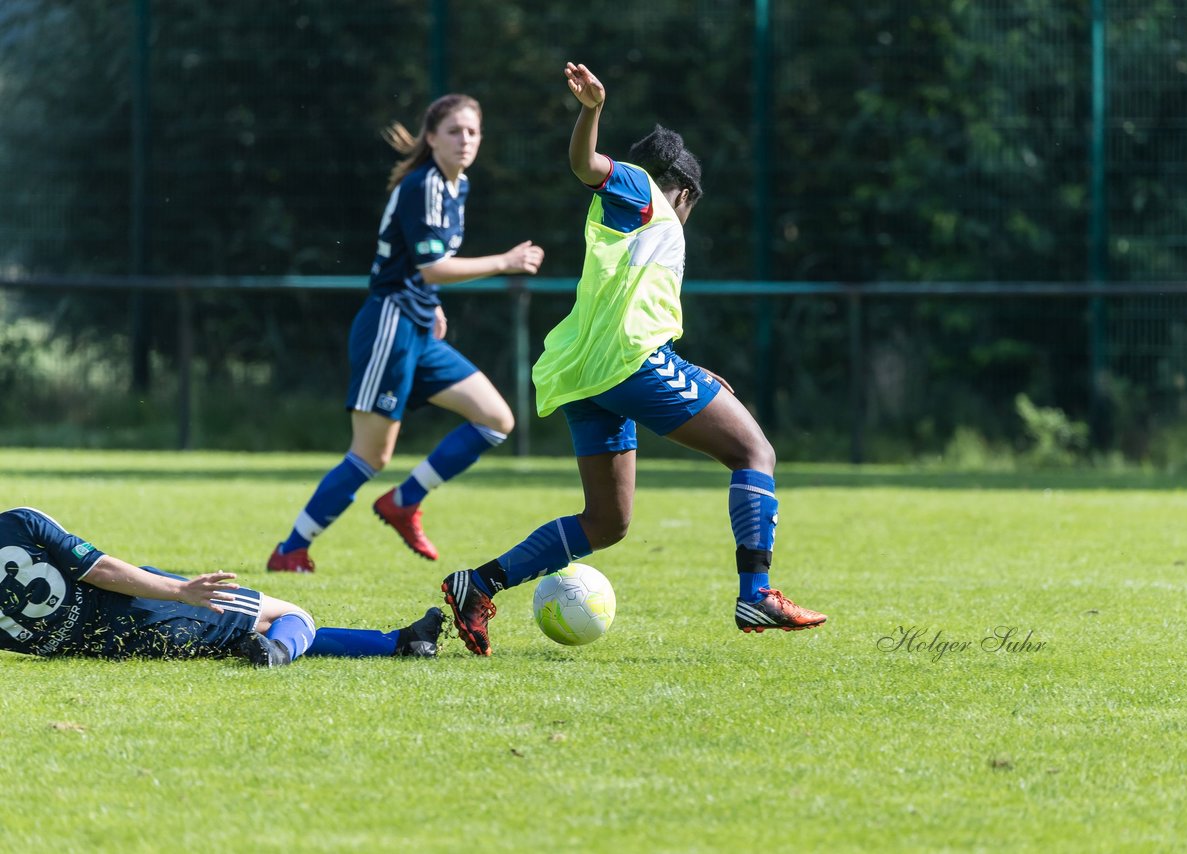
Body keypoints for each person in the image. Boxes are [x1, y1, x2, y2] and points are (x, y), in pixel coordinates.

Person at [439, 62, 828, 656]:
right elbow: (585, 167)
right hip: (627, 367)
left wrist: (686, 367)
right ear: (687, 192)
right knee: (756, 452)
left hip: (590, 375)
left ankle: (478, 585)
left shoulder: (630, 219)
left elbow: (631, 308)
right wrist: (592, 110)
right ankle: (758, 591)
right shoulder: (647, 192)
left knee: (607, 521)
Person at [267, 94, 545, 573]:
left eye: (473, 132)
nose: (465, 140)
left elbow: (426, 270)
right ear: (431, 137)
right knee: (371, 455)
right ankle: (290, 550)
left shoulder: (457, 187)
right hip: (389, 326)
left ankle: (404, 501)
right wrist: (505, 262)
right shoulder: (424, 185)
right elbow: (432, 267)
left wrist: (431, 305)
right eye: (455, 131)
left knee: (496, 419)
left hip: (418, 325)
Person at [2, 506, 444, 666]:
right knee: (292, 617)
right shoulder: (20, 522)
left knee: (251, 632)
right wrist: (178, 591)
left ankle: (404, 643)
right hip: (145, 611)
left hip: (109, 645)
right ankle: (280, 655)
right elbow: (101, 571)